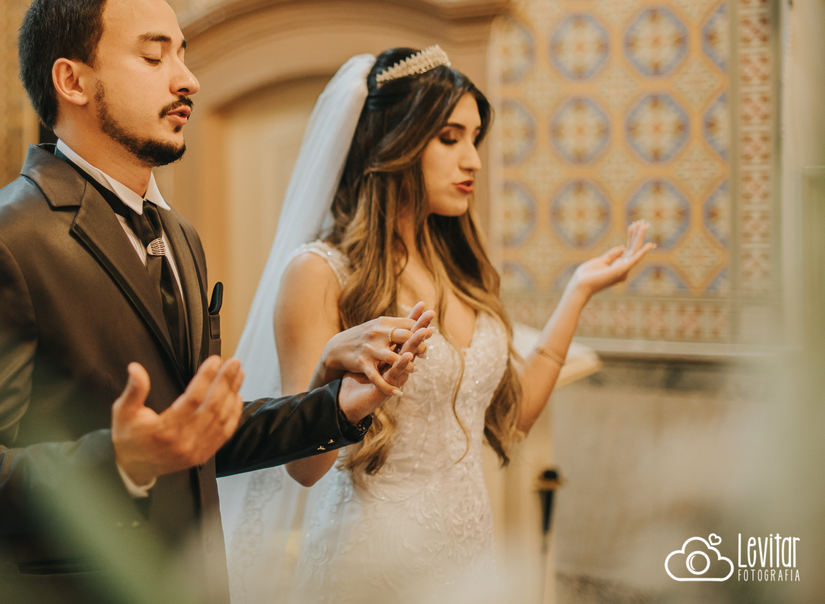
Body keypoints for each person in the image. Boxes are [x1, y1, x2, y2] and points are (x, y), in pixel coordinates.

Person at [0, 0, 433, 604]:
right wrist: (120, 461)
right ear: (71, 80)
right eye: (154, 55)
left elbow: (193, 434)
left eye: (183, 55)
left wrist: (334, 406)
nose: (187, 79)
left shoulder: (179, 234)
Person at [220, 48, 654, 603]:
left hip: (469, 550)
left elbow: (512, 416)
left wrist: (577, 293)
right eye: (450, 138)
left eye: (475, 139)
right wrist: (329, 365)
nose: (472, 160)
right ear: (395, 142)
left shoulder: (457, 267)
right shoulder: (319, 272)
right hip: (371, 562)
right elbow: (305, 470)